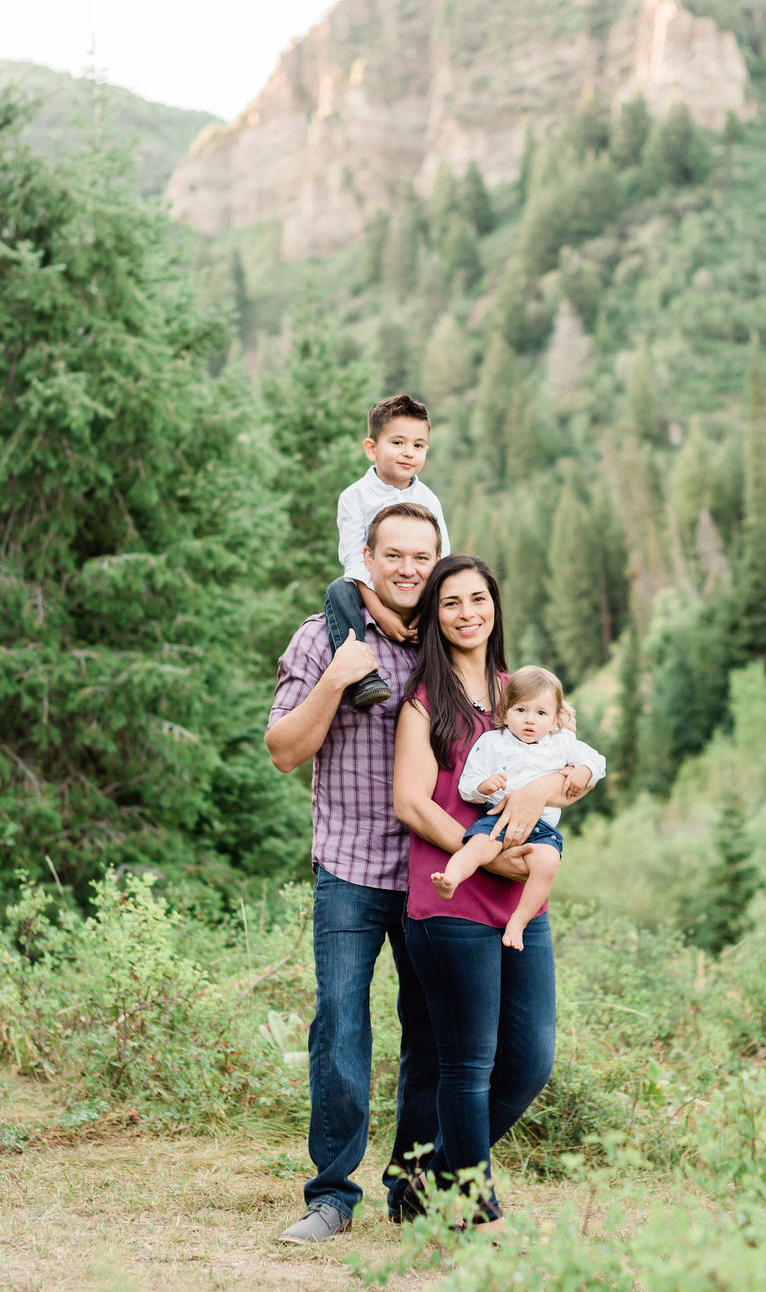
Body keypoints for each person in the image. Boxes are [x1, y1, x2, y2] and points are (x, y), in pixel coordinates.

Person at [392, 556, 595, 1230]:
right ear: (435, 615)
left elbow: (577, 768)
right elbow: (411, 802)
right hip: (451, 895)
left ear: (495, 606)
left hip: (519, 904)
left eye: (478, 598)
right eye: (451, 602)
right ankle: (474, 1207)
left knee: (530, 1060)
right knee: (469, 1062)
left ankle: (429, 1178)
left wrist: (548, 787)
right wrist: (485, 855)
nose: (467, 612)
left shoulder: (526, 690)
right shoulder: (424, 700)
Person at [265, 504, 443, 1244]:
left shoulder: (446, 641)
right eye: (393, 554)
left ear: (436, 561)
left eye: (421, 557)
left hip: (432, 871)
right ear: (366, 558)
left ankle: (415, 1191)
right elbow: (283, 750)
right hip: (349, 867)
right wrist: (336, 679)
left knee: (432, 1035)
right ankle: (332, 1197)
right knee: (340, 1025)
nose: (407, 569)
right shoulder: (323, 636)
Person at [432, 664, 606, 950]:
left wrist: (583, 770)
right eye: (521, 710)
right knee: (478, 846)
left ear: (555, 719)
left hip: (541, 828)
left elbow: (597, 761)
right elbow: (467, 785)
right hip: (498, 816)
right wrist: (484, 786)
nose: (530, 720)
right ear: (504, 712)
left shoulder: (562, 742)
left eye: (541, 713)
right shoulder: (492, 742)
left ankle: (519, 921)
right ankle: (450, 878)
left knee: (547, 863)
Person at [324, 394, 450, 709]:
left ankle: (447, 676)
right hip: (369, 587)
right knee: (338, 590)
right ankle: (363, 677)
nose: (409, 452)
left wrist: (424, 610)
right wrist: (380, 612)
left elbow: (442, 556)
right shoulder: (354, 497)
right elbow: (353, 559)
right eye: (398, 442)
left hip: (418, 587)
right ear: (372, 449)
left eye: (418, 445)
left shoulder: (428, 500)